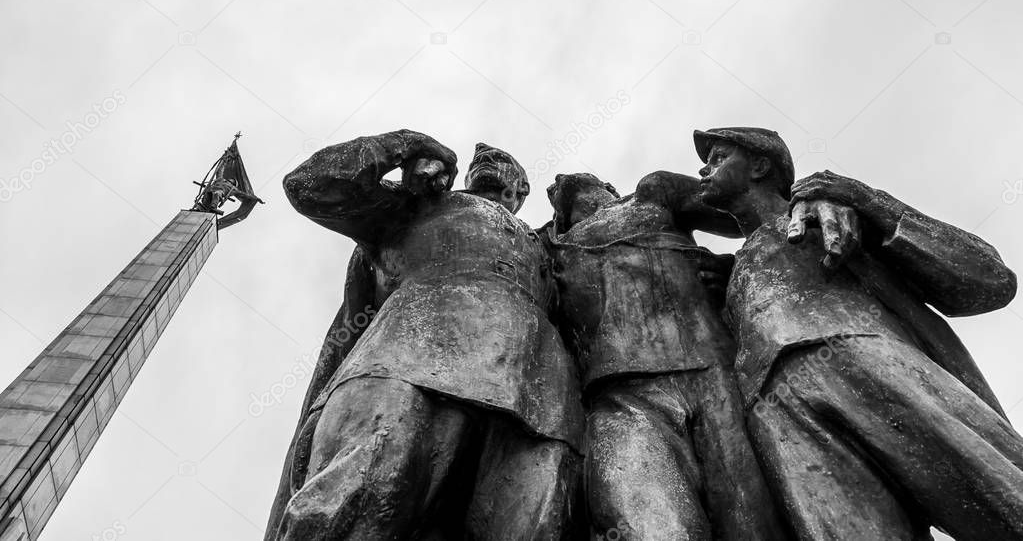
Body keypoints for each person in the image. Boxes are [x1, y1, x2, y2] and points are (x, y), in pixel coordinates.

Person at [694, 126, 1023, 540]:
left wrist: (866, 202)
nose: (705, 171)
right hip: (771, 407)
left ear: (760, 165)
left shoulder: (824, 210)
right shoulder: (733, 275)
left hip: (856, 355)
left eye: (719, 158)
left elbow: (989, 280)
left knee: (1000, 494)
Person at [268, 130, 584, 540]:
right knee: (355, 507)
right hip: (407, 364)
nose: (481, 156)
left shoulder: (548, 249)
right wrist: (408, 144)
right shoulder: (420, 203)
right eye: (477, 162)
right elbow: (309, 186)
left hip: (534, 403)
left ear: (521, 187)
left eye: (497, 157)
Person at [545, 171, 789, 540]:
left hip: (714, 373)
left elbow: (752, 208)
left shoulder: (652, 193)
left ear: (611, 186)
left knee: (752, 518)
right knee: (640, 520)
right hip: (618, 393)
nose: (561, 181)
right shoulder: (547, 245)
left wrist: (741, 266)